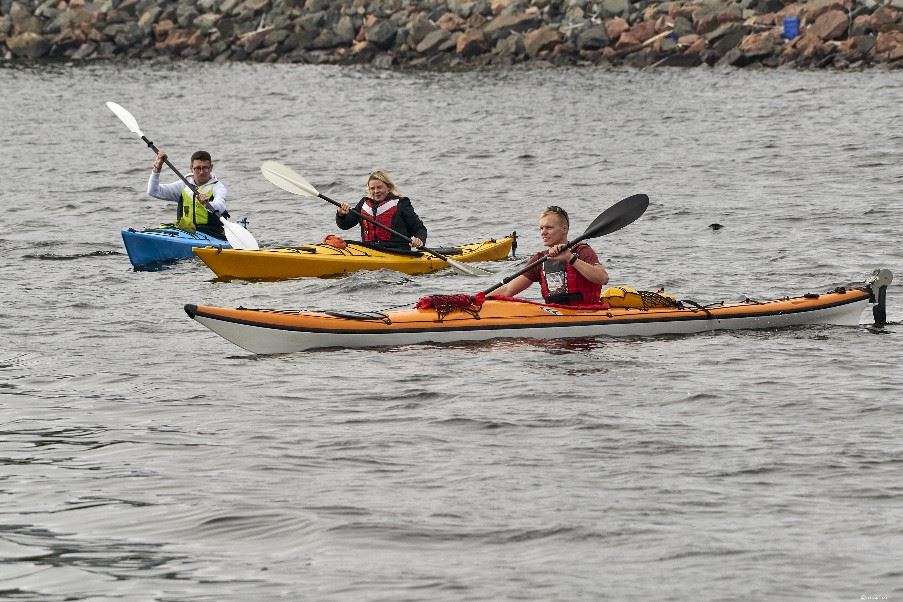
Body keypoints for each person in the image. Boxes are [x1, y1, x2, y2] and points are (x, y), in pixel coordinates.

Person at [492, 206, 609, 305]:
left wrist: (570, 258)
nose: (543, 232)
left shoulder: (582, 251)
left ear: (564, 229)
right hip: (555, 313)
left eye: (549, 227)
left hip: (587, 312)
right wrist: (478, 298)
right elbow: (508, 290)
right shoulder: (540, 259)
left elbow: (603, 278)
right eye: (541, 228)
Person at [336, 170, 427, 250]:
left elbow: (419, 228)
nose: (376, 191)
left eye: (379, 187)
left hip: (397, 251)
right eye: (372, 188)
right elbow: (345, 225)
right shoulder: (363, 204)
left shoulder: (401, 203)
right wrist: (341, 214)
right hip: (369, 250)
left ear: (388, 187)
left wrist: (419, 240)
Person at [147, 149, 227, 239]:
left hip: (210, 233)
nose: (201, 172)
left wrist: (208, 204)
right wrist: (157, 169)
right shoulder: (184, 184)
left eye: (205, 168)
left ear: (211, 167)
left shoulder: (218, 187)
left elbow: (221, 206)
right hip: (185, 232)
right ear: (191, 168)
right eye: (197, 168)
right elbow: (153, 191)